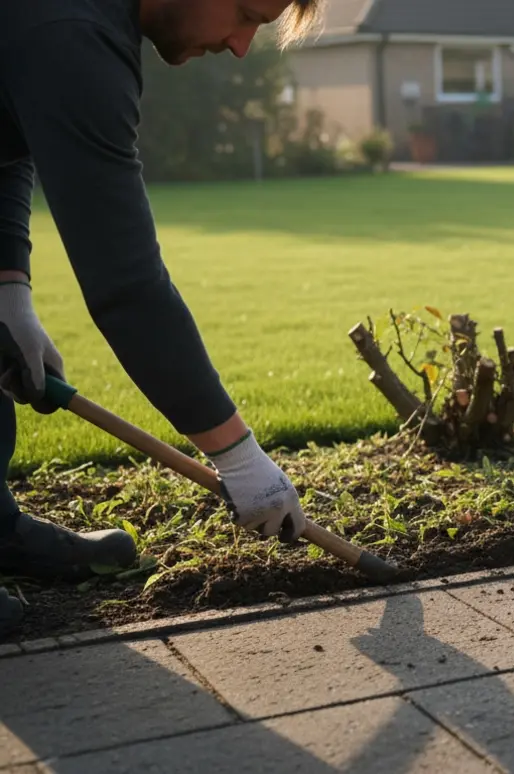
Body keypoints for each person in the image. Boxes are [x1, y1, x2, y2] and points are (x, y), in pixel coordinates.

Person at [0, 0, 326, 638]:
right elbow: (127, 287)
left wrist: (9, 284)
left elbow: (6, 149)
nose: (241, 45)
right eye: (246, 13)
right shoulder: (74, 33)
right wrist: (237, 455)